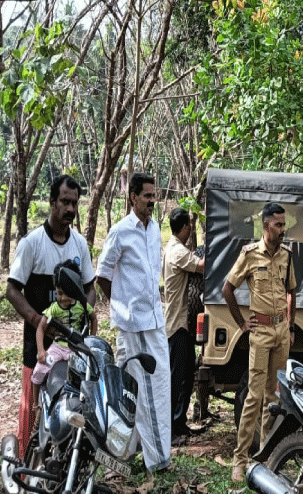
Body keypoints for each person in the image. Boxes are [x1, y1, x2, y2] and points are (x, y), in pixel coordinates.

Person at [6, 175, 95, 458]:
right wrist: (38, 322)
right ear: (52, 202)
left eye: (75, 203)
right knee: (32, 402)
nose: (70, 209)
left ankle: (62, 460)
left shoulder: (79, 245)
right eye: (65, 202)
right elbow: (12, 290)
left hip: (72, 343)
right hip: (40, 343)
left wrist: (82, 318)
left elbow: (91, 287)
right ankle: (22, 462)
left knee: (69, 399)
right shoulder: (32, 243)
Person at [96, 172, 171, 475]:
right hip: (135, 323)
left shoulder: (154, 229)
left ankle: (120, 453)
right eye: (147, 196)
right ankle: (159, 462)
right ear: (133, 198)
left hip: (154, 320)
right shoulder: (120, 231)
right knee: (151, 390)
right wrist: (122, 306)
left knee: (132, 391)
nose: (153, 201)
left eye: (155, 196)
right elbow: (102, 275)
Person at [223, 202, 296, 483]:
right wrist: (242, 322)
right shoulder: (250, 255)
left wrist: (290, 326)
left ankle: (265, 458)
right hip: (261, 331)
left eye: (283, 223)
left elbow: (292, 291)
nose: (283, 229)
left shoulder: (287, 256)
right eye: (278, 224)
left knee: (274, 397)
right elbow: (228, 288)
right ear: (266, 227)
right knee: (254, 397)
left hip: (281, 331)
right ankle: (239, 460)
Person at [163, 208, 205, 444]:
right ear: (186, 228)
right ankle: (171, 430)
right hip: (177, 322)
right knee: (177, 377)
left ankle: (179, 423)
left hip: (181, 323)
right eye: (190, 225)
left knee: (187, 374)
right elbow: (201, 266)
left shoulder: (173, 247)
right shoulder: (177, 251)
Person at [32, 260, 98, 386]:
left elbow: (93, 318)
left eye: (64, 293)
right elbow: (41, 328)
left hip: (76, 348)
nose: (61, 298)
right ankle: (36, 404)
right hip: (58, 347)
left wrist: (91, 339)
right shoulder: (54, 308)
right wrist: (41, 351)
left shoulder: (82, 305)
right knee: (39, 370)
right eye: (58, 293)